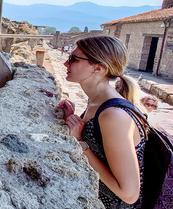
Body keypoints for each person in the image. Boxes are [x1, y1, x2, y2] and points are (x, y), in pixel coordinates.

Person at [58, 35, 145, 208]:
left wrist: (80, 144)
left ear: (98, 68)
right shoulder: (96, 102)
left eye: (73, 59)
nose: (66, 64)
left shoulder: (113, 115)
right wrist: (72, 118)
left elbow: (129, 194)